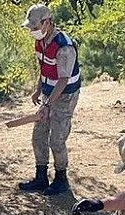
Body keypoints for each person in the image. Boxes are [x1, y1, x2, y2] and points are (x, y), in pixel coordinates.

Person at [19, 3, 81, 196]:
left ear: (47, 22)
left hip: (65, 94)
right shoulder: (41, 42)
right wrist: (38, 90)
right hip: (48, 92)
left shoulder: (64, 46)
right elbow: (44, 68)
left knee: (57, 138)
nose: (32, 31)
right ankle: (41, 177)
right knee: (38, 135)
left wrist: (47, 104)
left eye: (35, 27)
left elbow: (63, 80)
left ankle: (61, 179)